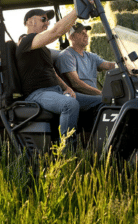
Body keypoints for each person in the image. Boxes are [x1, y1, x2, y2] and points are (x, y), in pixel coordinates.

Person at [16, 8, 102, 138]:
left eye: (48, 20)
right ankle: (67, 152)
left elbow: (52, 73)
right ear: (30, 21)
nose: (47, 23)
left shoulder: (42, 49)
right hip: (37, 94)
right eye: (43, 19)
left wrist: (67, 88)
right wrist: (78, 10)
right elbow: (55, 32)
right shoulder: (26, 40)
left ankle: (94, 142)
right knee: (69, 104)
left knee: (101, 101)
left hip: (55, 91)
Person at [55, 23, 116, 95]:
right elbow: (76, 84)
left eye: (86, 32)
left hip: (94, 95)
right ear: (71, 37)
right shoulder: (66, 56)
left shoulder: (91, 56)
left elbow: (109, 65)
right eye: (81, 33)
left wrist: (126, 64)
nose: (86, 35)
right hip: (79, 96)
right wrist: (101, 94)